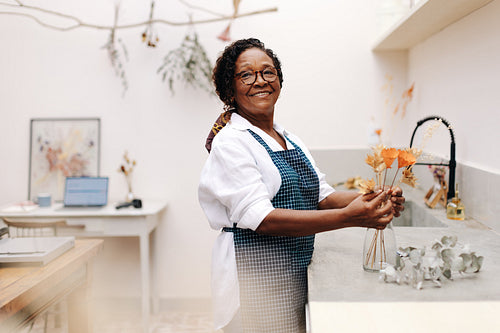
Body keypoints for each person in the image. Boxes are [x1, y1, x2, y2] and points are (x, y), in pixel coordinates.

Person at [198, 38, 405, 333]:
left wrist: (375, 198)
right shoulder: (231, 142)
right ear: (230, 89)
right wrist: (350, 218)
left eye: (268, 72)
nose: (260, 81)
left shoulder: (288, 138)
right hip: (254, 278)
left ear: (279, 81)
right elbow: (263, 220)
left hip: (293, 271)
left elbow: (323, 196)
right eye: (246, 74)